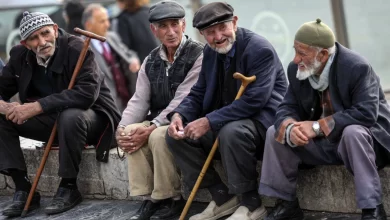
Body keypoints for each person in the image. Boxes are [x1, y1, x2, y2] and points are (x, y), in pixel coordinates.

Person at [165, 2, 288, 220]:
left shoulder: (259, 49)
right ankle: (222, 197)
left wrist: (209, 121)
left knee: (231, 131)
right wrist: (179, 115)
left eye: (223, 28)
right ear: (202, 34)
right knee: (176, 136)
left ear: (235, 22)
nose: (218, 36)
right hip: (227, 121)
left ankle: (251, 204)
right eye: (210, 32)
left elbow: (254, 101)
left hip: (262, 122)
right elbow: (198, 92)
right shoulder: (210, 53)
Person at [259, 19, 390, 220]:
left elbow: (367, 113)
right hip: (322, 144)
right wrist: (290, 127)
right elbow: (287, 106)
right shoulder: (296, 70)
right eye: (295, 51)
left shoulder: (357, 67)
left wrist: (317, 126)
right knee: (275, 132)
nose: (295, 59)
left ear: (322, 54)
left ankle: (372, 209)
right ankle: (286, 204)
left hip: (362, 143)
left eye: (301, 53)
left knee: (353, 132)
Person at [0, 11, 121, 217]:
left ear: (55, 29)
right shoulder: (19, 56)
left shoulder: (77, 48)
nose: (42, 41)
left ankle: (69, 187)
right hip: (51, 121)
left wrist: (37, 106)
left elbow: (86, 94)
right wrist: (3, 106)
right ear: (25, 43)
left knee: (70, 115)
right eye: (34, 38)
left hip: (92, 119)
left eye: (45, 33)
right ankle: (23, 188)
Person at [115, 1, 204, 219]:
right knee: (130, 132)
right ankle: (149, 197)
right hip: (158, 119)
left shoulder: (198, 55)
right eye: (163, 26)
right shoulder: (151, 59)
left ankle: (171, 197)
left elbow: (184, 98)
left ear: (184, 25)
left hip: (188, 119)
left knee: (156, 136)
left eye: (175, 24)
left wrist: (154, 124)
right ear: (153, 30)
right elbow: (139, 100)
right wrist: (122, 127)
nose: (170, 31)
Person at [82, 4, 140, 112]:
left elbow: (129, 54)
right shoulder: (81, 47)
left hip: (130, 101)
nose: (107, 25)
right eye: (102, 21)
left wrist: (133, 60)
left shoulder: (112, 37)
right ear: (88, 25)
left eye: (107, 20)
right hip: (107, 107)